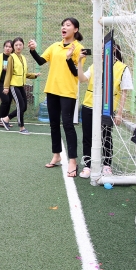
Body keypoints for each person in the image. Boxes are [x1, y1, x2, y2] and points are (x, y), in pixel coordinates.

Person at [28, 17, 84, 178]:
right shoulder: (54, 46)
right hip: (52, 90)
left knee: (68, 125)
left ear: (75, 30)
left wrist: (69, 59)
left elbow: (77, 74)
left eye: (68, 25)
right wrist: (33, 50)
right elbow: (40, 61)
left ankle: (72, 161)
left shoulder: (79, 49)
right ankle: (57, 155)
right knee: (54, 125)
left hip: (68, 93)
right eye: (63, 25)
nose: (63, 27)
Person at [78, 45, 133, 178]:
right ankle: (87, 165)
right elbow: (82, 79)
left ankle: (107, 165)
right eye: (100, 48)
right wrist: (79, 61)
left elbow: (124, 92)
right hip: (89, 106)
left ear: (113, 49)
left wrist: (119, 113)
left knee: (106, 137)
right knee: (87, 137)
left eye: (104, 48)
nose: (101, 51)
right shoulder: (95, 65)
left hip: (108, 109)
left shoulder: (122, 68)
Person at [0, 37, 40, 134]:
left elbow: (24, 74)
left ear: (23, 46)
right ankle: (21, 128)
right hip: (14, 86)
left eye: (20, 45)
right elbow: (8, 73)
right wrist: (6, 87)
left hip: (21, 85)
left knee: (24, 107)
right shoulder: (11, 58)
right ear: (13, 47)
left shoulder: (23, 58)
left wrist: (34, 75)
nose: (18, 47)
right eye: (16, 45)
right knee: (20, 105)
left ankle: (6, 119)